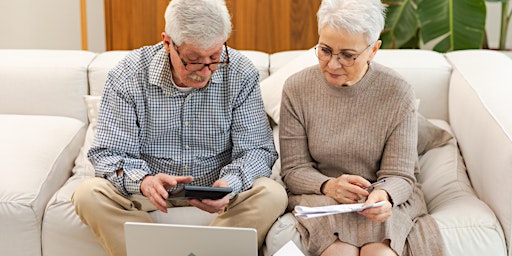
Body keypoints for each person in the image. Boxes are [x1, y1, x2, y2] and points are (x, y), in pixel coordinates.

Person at [71, 0, 287, 255]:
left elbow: (258, 151)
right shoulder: (127, 75)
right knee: (88, 195)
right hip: (148, 193)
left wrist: (228, 184)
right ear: (167, 43)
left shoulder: (241, 72)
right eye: (194, 60)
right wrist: (144, 182)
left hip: (217, 189)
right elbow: (108, 154)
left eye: (215, 58)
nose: (205, 71)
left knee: (272, 194)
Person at [279, 0, 445, 255]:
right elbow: (294, 170)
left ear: (373, 50)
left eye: (347, 55)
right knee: (339, 252)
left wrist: (385, 194)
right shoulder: (297, 88)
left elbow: (399, 175)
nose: (333, 64)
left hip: (380, 195)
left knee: (379, 252)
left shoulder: (398, 91)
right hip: (322, 195)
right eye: (325, 50)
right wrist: (329, 186)